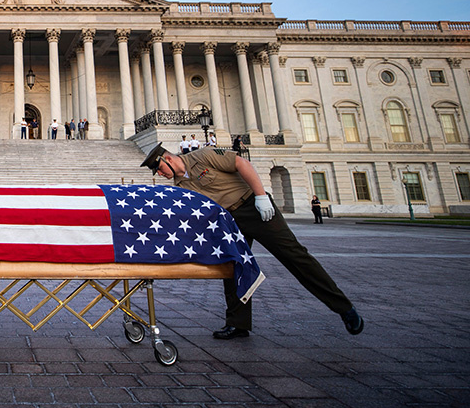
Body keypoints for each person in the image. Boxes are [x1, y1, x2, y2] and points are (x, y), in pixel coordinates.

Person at [140, 142, 364, 340]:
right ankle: (238, 324)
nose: (160, 175)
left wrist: (261, 196)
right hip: (229, 221)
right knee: (233, 267)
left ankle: (344, 308)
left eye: (159, 169)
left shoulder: (203, 155)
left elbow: (241, 164)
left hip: (254, 207)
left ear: (168, 158)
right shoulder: (180, 187)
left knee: (295, 255)